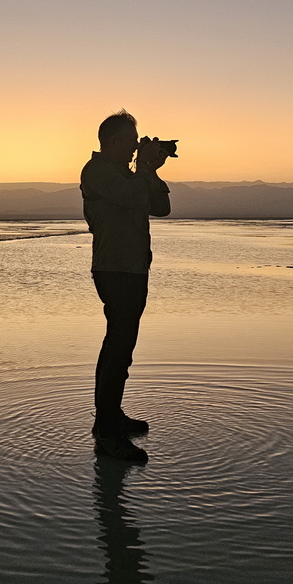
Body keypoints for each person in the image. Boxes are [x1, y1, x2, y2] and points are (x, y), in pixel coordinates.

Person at [80, 110, 172, 462]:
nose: (137, 146)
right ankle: (106, 433)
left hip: (132, 268)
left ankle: (111, 416)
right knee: (119, 348)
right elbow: (134, 199)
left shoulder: (125, 173)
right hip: (115, 269)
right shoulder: (98, 171)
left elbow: (161, 208)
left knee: (120, 346)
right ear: (114, 140)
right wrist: (145, 169)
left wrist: (152, 170)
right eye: (133, 140)